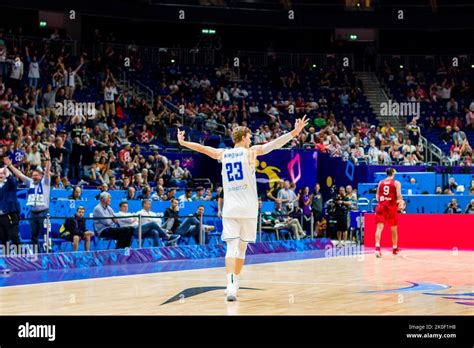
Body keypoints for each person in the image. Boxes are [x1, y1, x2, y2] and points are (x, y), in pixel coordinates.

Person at [177, 115, 308, 301]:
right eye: (249, 136)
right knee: (242, 249)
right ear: (244, 138)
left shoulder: (223, 154)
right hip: (248, 209)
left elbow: (203, 149)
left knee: (231, 249)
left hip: (231, 209)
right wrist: (294, 132)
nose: (251, 139)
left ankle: (231, 284)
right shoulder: (250, 152)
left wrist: (183, 142)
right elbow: (273, 144)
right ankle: (234, 282)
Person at [5, 151, 51, 252]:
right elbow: (20, 174)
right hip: (33, 213)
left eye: (36, 175)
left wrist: (48, 160)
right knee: (33, 235)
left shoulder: (45, 182)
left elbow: (47, 171)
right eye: (33, 175)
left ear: (41, 176)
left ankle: (48, 254)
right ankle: (36, 254)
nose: (34, 177)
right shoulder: (30, 182)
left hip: (44, 212)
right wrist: (10, 165)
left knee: (46, 234)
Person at [374, 168, 403, 258]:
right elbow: (398, 195)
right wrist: (401, 202)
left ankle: (377, 248)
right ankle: (394, 248)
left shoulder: (380, 183)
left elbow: (377, 196)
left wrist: (383, 201)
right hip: (391, 207)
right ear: (393, 173)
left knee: (379, 228)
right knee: (393, 229)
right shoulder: (396, 183)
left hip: (381, 206)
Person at [0, 162, 21, 255]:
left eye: (2, 174)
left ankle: (19, 258)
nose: (0, 175)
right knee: (3, 238)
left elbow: (13, 181)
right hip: (1, 216)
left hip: (11, 213)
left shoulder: (10, 184)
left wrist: (8, 173)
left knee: (13, 236)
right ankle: (6, 259)